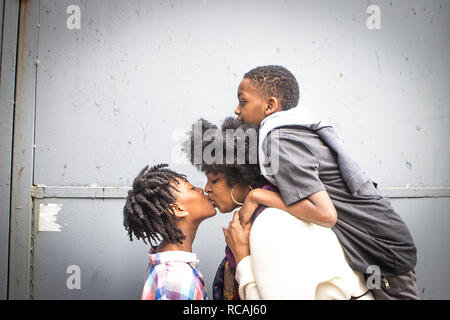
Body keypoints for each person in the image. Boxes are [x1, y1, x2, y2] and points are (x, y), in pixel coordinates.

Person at [233, 65, 419, 299]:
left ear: (270, 105)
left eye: (243, 101)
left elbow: (325, 214)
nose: (237, 110)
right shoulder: (296, 130)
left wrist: (257, 196)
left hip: (383, 252)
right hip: (380, 244)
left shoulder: (280, 141)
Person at [184, 117, 374, 300]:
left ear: (240, 178)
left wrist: (242, 257)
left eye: (214, 180)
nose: (207, 188)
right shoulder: (267, 214)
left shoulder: (271, 223)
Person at [123, 163, 216, 300]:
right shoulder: (176, 280)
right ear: (177, 210)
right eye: (192, 189)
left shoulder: (167, 262)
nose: (202, 190)